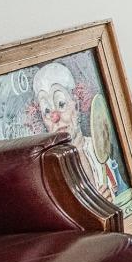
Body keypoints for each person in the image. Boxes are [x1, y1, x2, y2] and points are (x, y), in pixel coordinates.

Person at [33, 61, 113, 201]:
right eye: (47, 110)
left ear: (77, 104)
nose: (55, 117)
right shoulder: (50, 169)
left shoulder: (97, 147)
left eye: (61, 104)